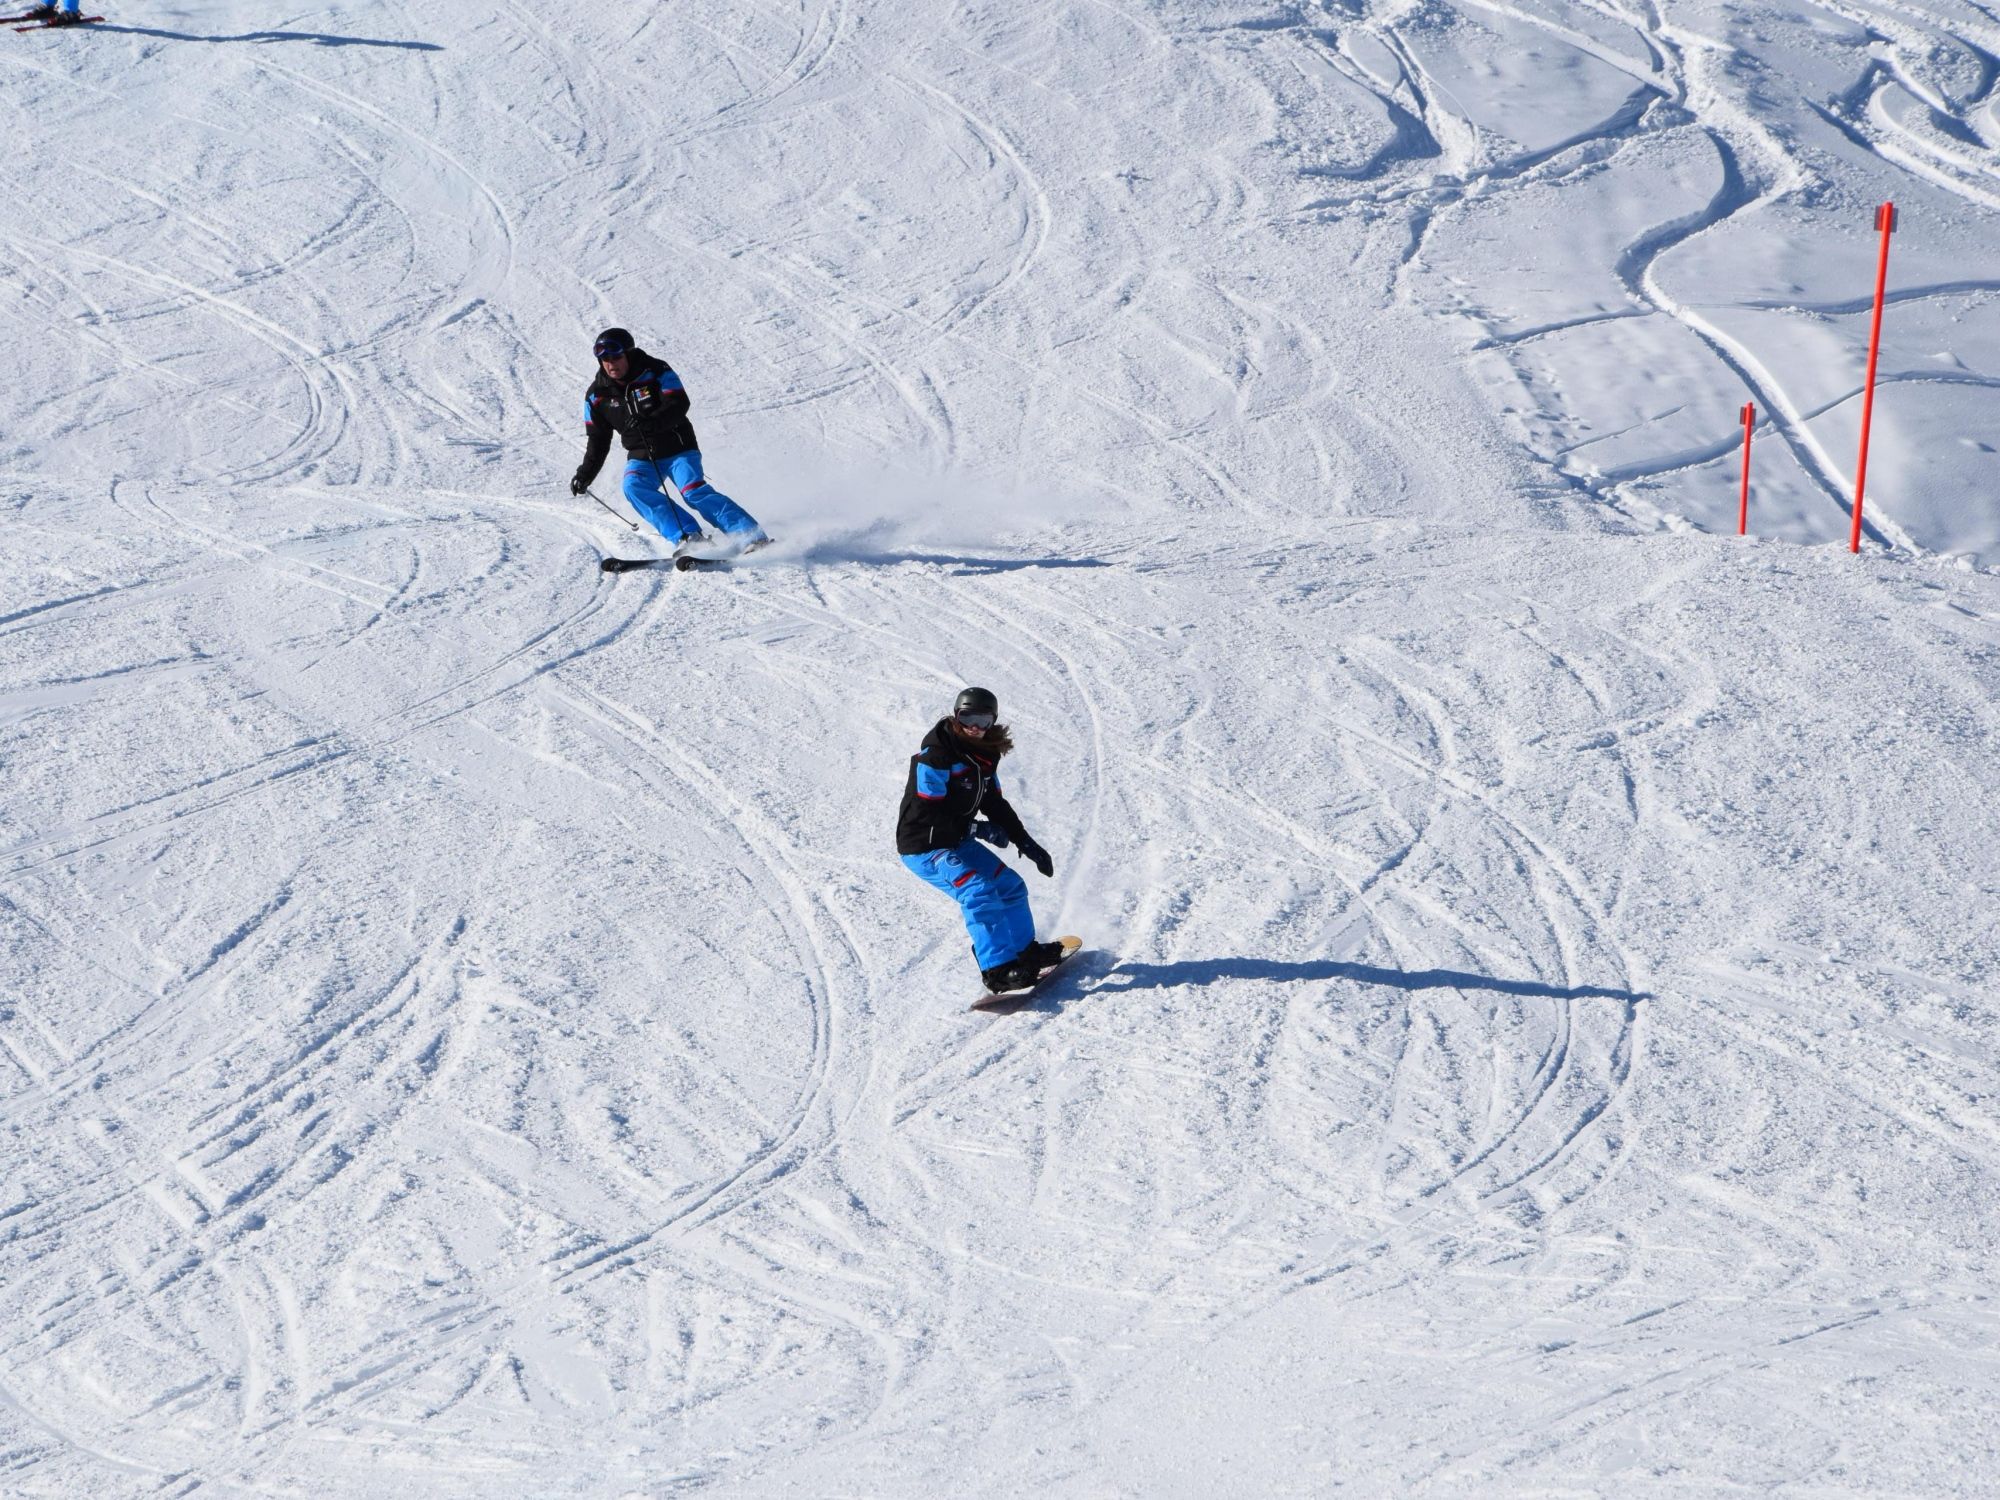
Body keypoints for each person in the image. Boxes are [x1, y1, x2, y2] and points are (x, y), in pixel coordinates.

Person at [896, 687, 1063, 993]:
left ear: (992, 721)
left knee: (1011, 886)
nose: (975, 726)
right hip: (925, 845)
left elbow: (995, 803)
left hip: (955, 840)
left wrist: (1024, 841)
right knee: (978, 891)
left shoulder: (985, 756)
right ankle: (998, 970)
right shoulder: (935, 758)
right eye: (967, 716)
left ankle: (1024, 953)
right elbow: (929, 814)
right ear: (956, 716)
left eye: (983, 720)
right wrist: (978, 830)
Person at [569, 328, 767, 552]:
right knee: (634, 488)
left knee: (693, 491)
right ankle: (688, 537)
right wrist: (585, 474)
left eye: (616, 357)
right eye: (604, 359)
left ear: (629, 354)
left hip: (678, 448)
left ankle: (750, 536)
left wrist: (651, 422)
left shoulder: (655, 370)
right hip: (642, 454)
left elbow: (679, 403)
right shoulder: (596, 396)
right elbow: (598, 439)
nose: (611, 363)